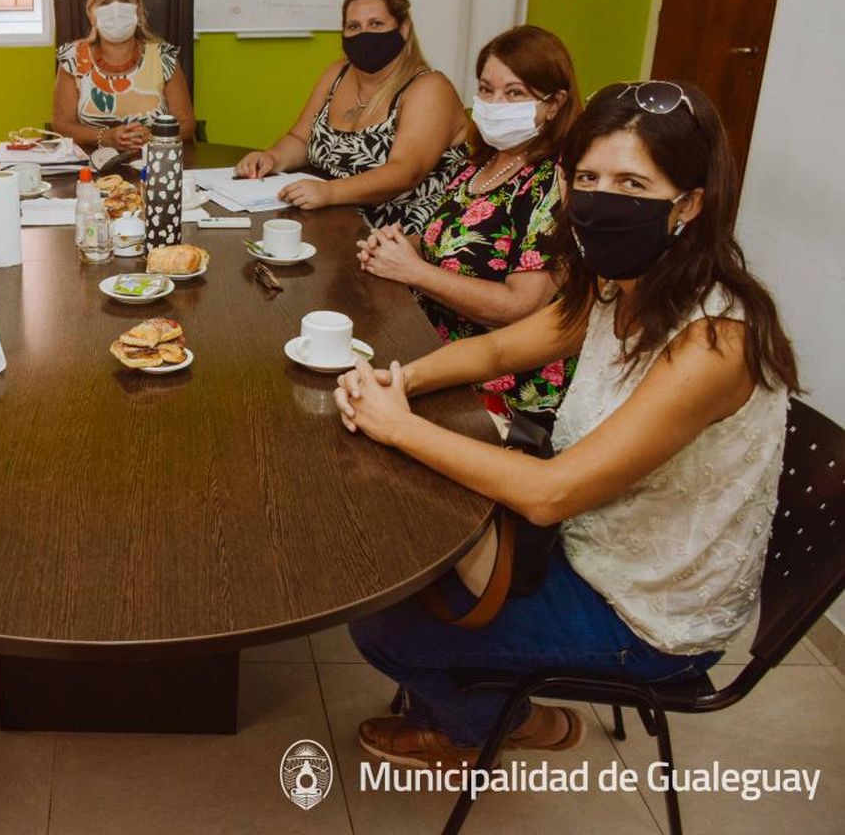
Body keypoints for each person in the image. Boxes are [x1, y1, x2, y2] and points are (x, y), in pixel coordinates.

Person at [335, 81, 798, 768]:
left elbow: (551, 493)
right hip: (588, 540)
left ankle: (494, 726)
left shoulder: (714, 343)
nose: (603, 199)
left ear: (690, 203)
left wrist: (397, 425)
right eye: (588, 178)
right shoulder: (618, 283)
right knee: (396, 549)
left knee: (381, 626)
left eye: (632, 182)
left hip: (647, 610)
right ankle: (500, 705)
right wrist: (397, 382)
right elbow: (498, 348)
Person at [357, 26, 582, 427]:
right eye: (486, 89)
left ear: (555, 103)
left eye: (515, 93)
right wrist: (396, 246)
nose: (495, 104)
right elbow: (445, 244)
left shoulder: (554, 182)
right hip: (431, 349)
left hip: (497, 386)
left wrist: (414, 271)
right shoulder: (480, 164)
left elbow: (518, 308)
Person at [235, 0, 469, 232]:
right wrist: (271, 157)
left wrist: (330, 192)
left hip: (399, 232)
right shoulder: (337, 73)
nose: (364, 34)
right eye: (354, 26)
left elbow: (406, 171)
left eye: (376, 24)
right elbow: (301, 139)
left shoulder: (429, 88)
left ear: (404, 29)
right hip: (331, 219)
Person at [52, 0, 197, 151]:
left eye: (124, 0)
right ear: (91, 12)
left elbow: (187, 124)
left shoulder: (163, 57)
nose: (116, 9)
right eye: (105, 3)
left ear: (138, 9)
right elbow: (62, 125)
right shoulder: (73, 58)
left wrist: (152, 134)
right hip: (91, 168)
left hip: (152, 164)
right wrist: (105, 137)